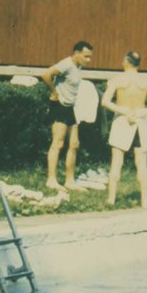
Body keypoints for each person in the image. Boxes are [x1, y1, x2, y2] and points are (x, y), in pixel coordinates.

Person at [101, 51, 147, 209]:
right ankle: (145, 200)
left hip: (123, 119)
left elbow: (105, 101)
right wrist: (141, 112)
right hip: (140, 119)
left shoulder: (118, 80)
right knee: (141, 162)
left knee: (117, 161)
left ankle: (111, 199)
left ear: (126, 62)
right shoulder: (145, 81)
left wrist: (123, 110)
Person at [39, 40, 94, 193]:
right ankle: (51, 180)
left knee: (74, 144)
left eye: (90, 57)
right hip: (59, 107)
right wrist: (54, 93)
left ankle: (70, 181)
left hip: (70, 108)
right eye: (86, 56)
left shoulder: (77, 66)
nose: (88, 60)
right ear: (76, 53)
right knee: (58, 143)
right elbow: (45, 74)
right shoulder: (66, 64)